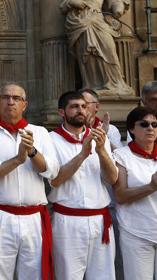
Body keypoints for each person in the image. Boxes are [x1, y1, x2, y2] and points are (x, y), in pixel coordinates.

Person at [0, 83, 59, 280]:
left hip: (33, 217)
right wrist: (17, 160)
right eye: (5, 97)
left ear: (24, 105)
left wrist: (32, 153)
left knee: (34, 275)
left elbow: (53, 171)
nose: (10, 101)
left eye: (16, 98)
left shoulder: (39, 133)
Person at [48, 91, 118, 279]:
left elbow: (112, 179)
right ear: (62, 112)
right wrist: (83, 154)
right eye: (75, 106)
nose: (81, 110)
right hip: (67, 221)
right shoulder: (50, 140)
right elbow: (55, 180)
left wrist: (102, 150)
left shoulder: (100, 138)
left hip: (100, 220)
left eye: (84, 106)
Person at [112, 106, 157, 279]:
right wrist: (151, 187)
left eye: (154, 124)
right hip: (136, 232)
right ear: (131, 128)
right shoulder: (121, 155)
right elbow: (120, 195)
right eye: (144, 124)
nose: (150, 128)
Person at [60, 0, 132, 96]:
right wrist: (72, 3)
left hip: (97, 20)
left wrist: (118, 7)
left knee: (108, 50)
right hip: (79, 23)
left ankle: (115, 84)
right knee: (88, 56)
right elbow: (62, 7)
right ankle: (92, 85)